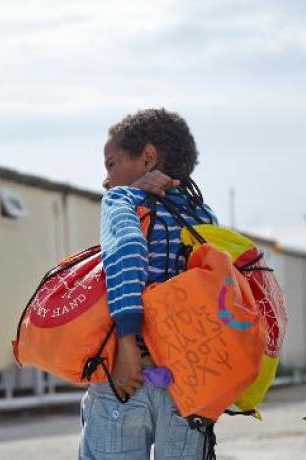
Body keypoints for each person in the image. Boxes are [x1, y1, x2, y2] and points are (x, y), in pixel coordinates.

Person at [78, 108, 217, 460]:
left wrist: (126, 343)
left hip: (129, 378)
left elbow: (126, 253)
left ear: (148, 157)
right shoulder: (202, 215)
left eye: (111, 165)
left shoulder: (122, 201)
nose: (106, 180)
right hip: (186, 385)